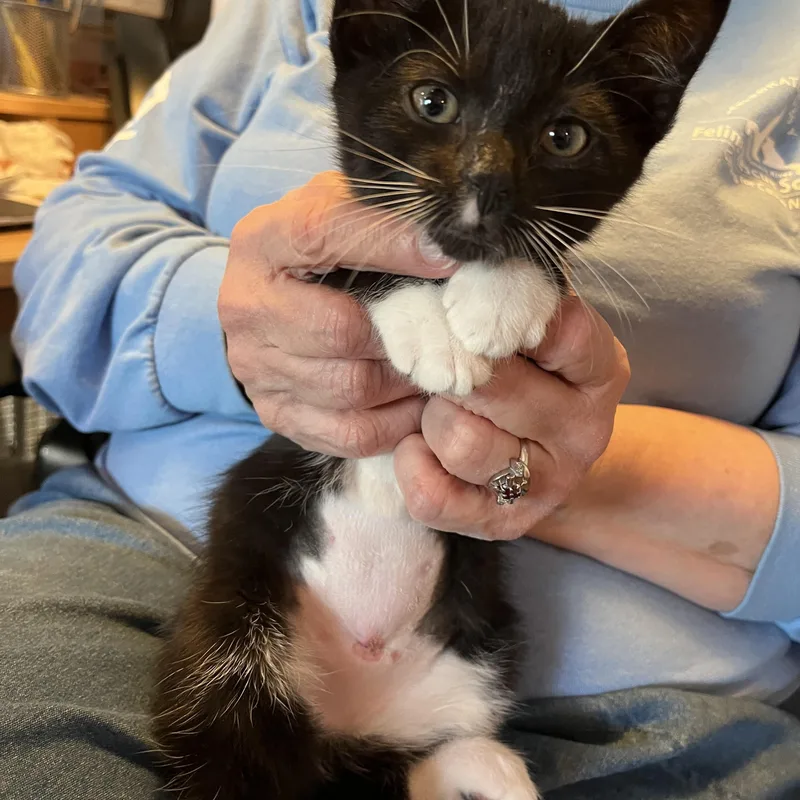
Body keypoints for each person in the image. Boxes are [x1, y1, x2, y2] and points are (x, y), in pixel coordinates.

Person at [2, 0, 800, 797]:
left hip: (556, 699)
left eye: (563, 136)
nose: (486, 169)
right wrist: (248, 327)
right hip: (183, 570)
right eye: (434, 101)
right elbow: (69, 250)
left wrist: (548, 469)